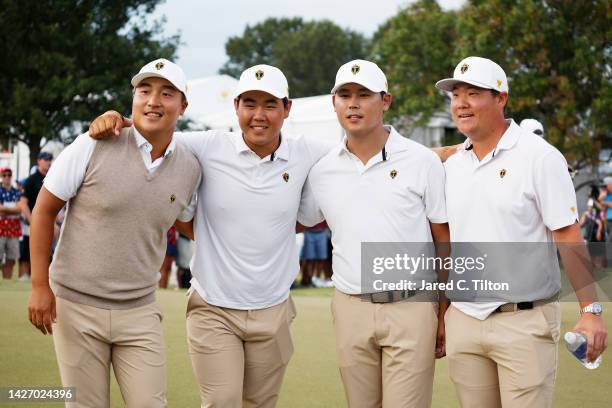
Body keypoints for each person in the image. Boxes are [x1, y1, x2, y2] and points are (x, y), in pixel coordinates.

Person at [88, 64, 333, 408]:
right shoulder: (206, 145)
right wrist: (114, 116)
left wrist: (436, 156)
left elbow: (363, 152)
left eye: (269, 104)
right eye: (249, 103)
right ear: (235, 106)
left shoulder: (308, 151)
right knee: (222, 401)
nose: (258, 115)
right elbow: (151, 132)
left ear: (287, 108)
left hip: (274, 308)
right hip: (214, 308)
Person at [27, 58, 201, 408]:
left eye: (167, 93)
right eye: (144, 91)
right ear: (132, 97)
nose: (153, 101)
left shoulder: (190, 166)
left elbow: (185, 221)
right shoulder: (92, 143)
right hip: (75, 306)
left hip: (139, 310)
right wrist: (39, 285)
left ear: (183, 105)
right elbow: (44, 210)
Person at [436, 56, 607, 408]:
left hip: (524, 322)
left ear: (501, 98)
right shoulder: (452, 165)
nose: (461, 103)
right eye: (456, 95)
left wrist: (591, 310)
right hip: (465, 322)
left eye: (473, 93)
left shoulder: (540, 157)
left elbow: (568, 236)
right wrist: (442, 315)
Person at [301, 59, 450, 407]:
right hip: (350, 306)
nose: (353, 103)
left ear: (385, 101)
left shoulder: (421, 161)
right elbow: (296, 219)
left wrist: (444, 310)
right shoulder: (322, 171)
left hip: (411, 307)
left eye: (364, 95)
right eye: (345, 95)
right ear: (333, 102)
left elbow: (443, 238)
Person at [18, 151, 53, 279]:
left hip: (49, 223)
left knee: (48, 252)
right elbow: (23, 204)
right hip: (31, 224)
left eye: (50, 159)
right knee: (28, 254)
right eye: (45, 159)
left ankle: (46, 279)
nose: (48, 161)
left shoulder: (52, 177)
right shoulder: (31, 180)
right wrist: (33, 221)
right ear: (39, 161)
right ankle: (27, 279)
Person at [0, 167, 25, 279]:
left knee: (11, 258)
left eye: (9, 175)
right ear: (1, 176)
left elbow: (20, 208)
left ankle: (7, 281)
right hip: (1, 229)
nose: (7, 177)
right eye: (4, 175)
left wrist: (5, 210)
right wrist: (13, 209)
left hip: (14, 229)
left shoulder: (17, 192)